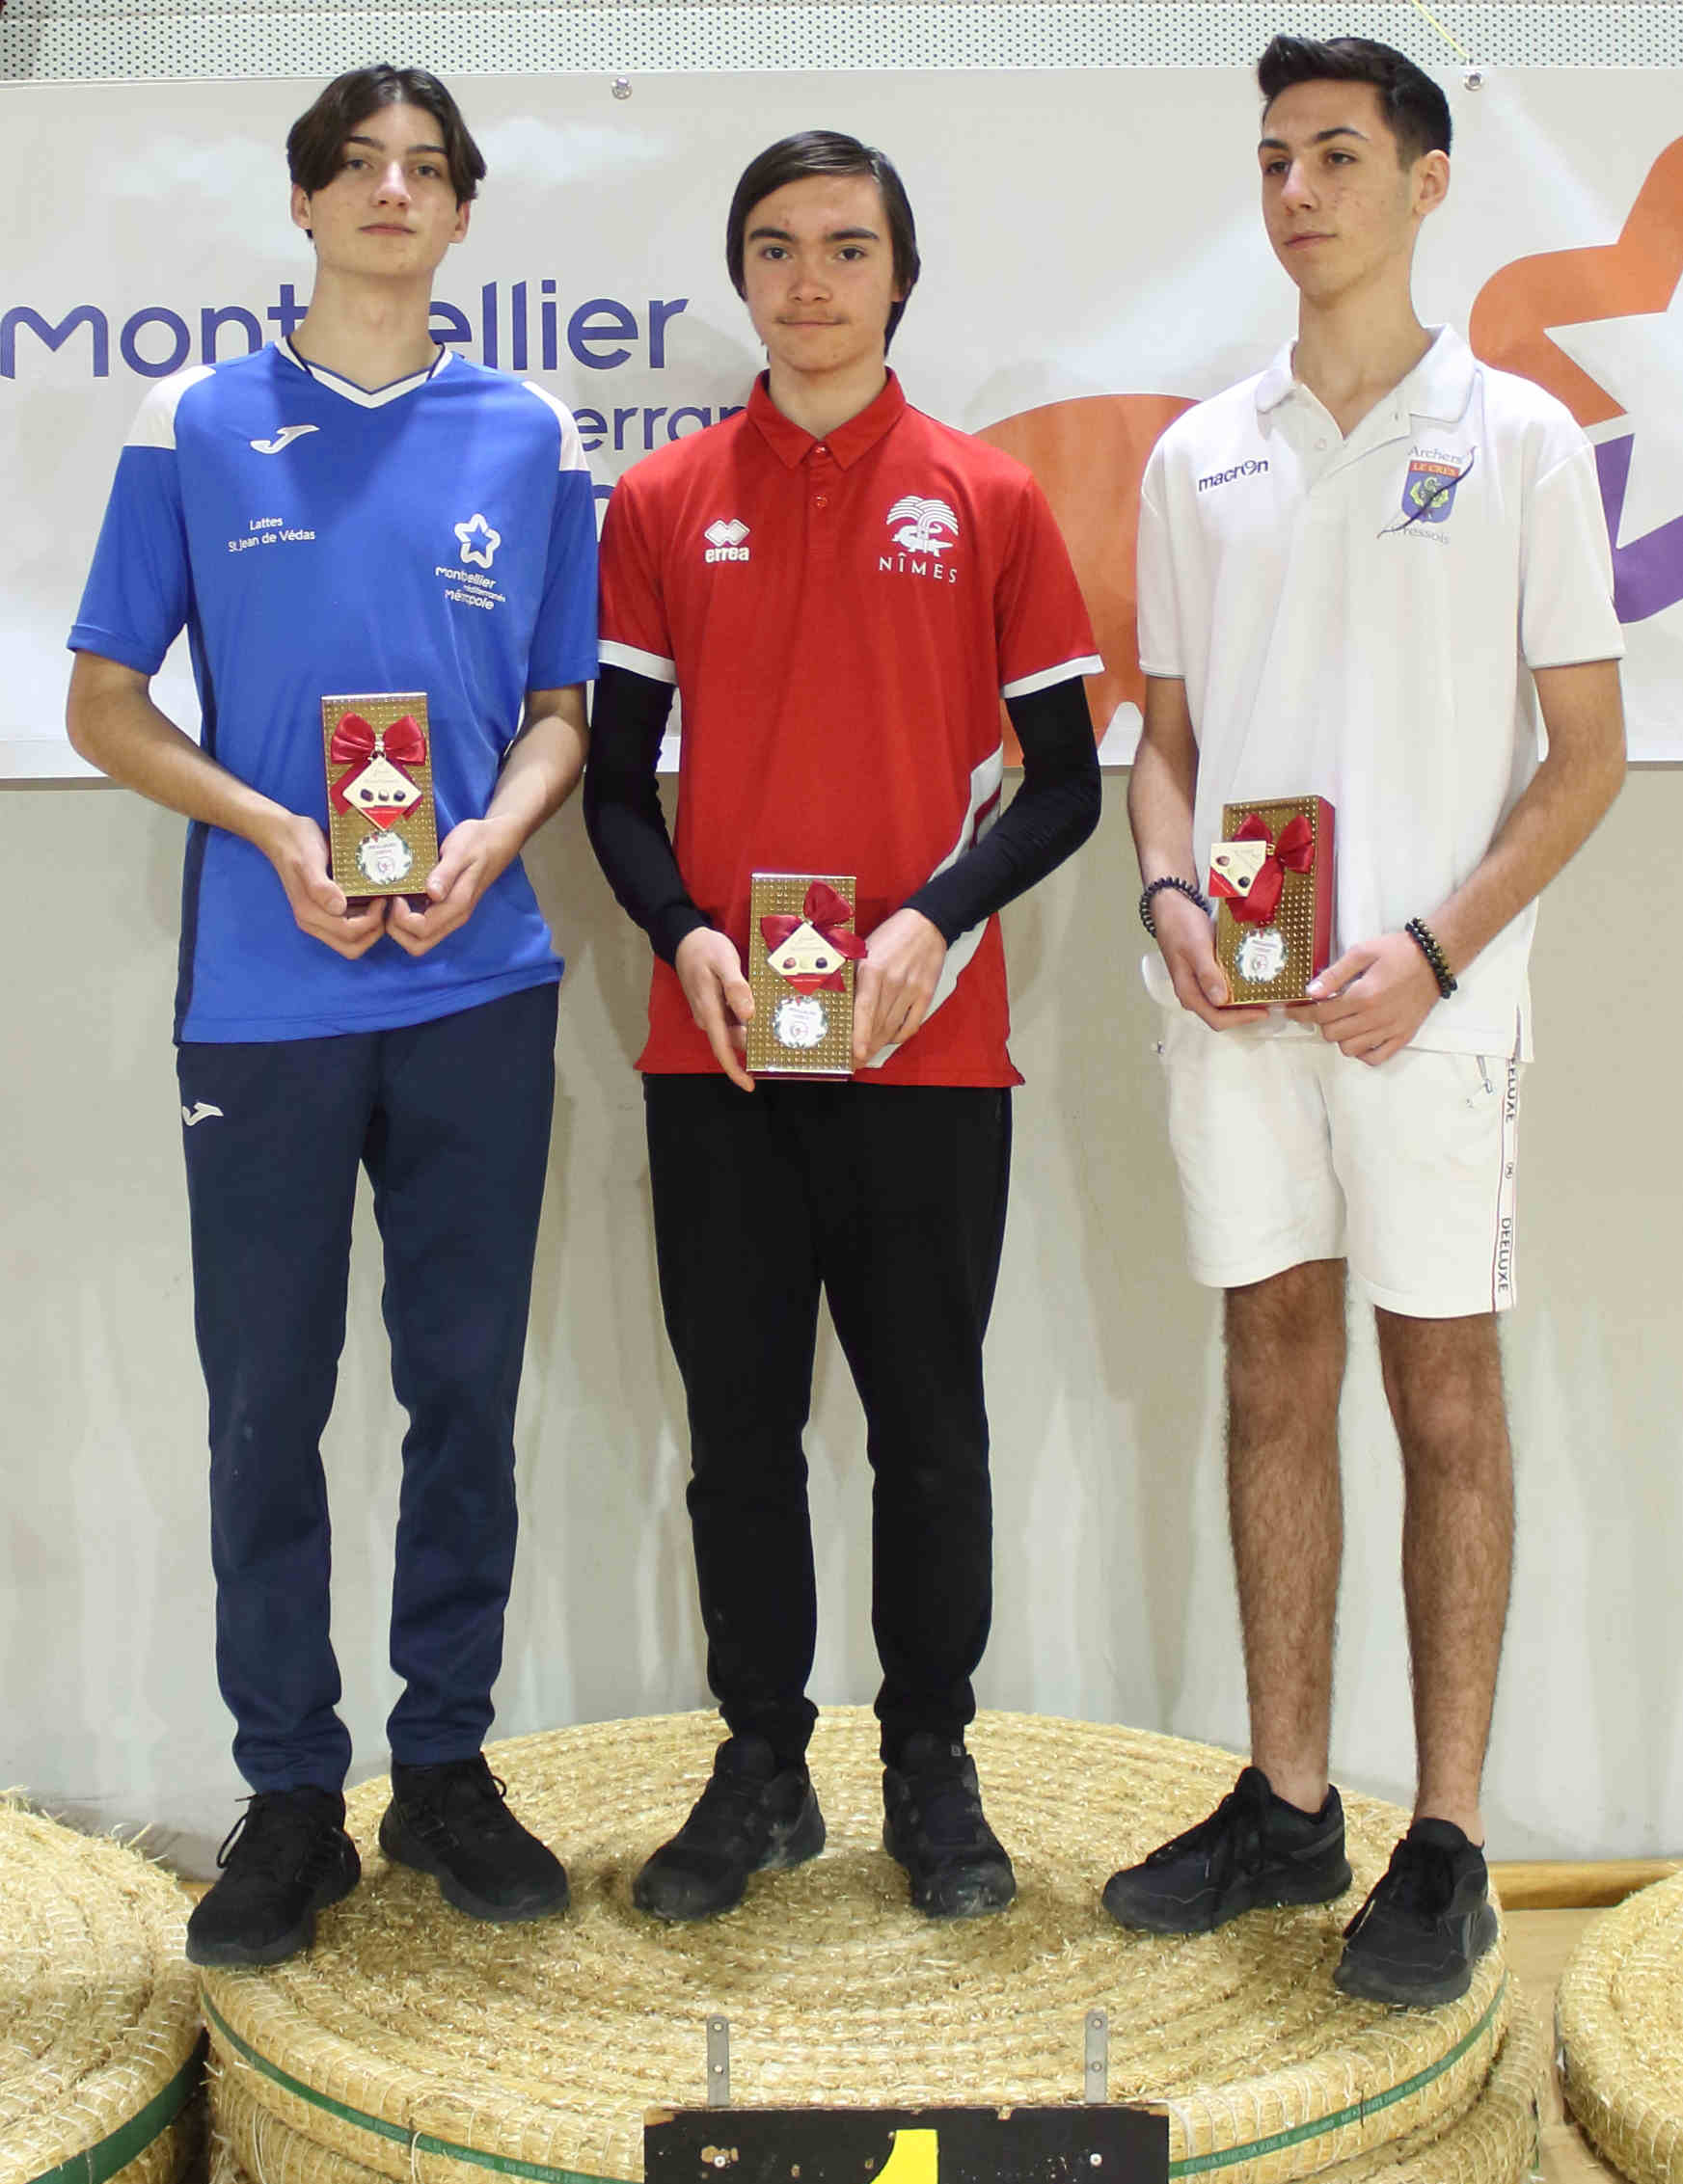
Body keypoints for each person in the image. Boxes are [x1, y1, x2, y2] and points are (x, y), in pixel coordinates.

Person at [1106, 34, 1625, 2006]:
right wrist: (1168, 894)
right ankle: (1288, 1799)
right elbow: (1163, 747)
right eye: (1273, 158)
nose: (1298, 190)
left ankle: (1451, 1838)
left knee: (1444, 1400)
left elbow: (1586, 756)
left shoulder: (1521, 441)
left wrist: (1433, 945)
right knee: (1269, 1370)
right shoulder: (1197, 456)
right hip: (1237, 1014)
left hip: (1432, 1012)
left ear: (1426, 182)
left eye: (1336, 153)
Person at [66, 66, 596, 1966]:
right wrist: (274, 825)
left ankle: (442, 1765)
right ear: (302, 204)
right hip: (264, 995)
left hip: (478, 984)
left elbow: (563, 711)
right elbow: (104, 702)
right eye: (356, 166)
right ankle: (292, 1793)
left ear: (461, 213)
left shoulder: (531, 431)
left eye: (424, 169)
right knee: (265, 1404)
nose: (390, 191)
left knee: (461, 1395)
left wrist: (494, 838)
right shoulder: (195, 421)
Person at [584, 129, 1101, 1923]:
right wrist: (680, 936)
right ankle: (759, 1764)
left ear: (900, 275)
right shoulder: (658, 504)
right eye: (776, 247)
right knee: (735, 1437)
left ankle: (930, 1767)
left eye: (847, 247)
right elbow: (616, 791)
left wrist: (933, 917)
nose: (810, 280)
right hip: (718, 1052)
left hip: (926, 1058)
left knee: (927, 1434)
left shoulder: (988, 496)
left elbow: (1062, 786)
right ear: (741, 275)